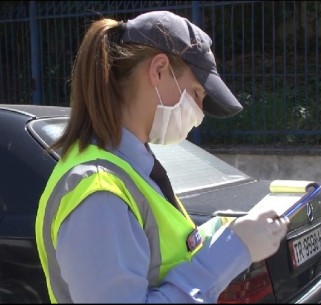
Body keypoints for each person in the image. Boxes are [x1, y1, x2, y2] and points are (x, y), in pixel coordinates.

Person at [34, 10, 288, 303]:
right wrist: (234, 250)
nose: (199, 114)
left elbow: (162, 256)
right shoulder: (99, 193)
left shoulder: (132, 167)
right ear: (158, 71)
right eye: (196, 94)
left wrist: (222, 233)